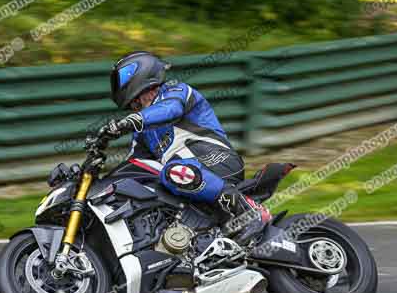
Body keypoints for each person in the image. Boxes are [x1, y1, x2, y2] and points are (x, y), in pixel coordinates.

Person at [96, 51, 269, 245]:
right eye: (132, 106)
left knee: (172, 171)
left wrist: (129, 122)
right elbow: (134, 165)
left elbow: (171, 109)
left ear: (144, 82)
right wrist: (100, 182)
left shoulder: (176, 91)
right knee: (153, 189)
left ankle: (248, 211)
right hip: (189, 178)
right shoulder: (142, 131)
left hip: (218, 160)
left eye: (135, 102)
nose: (135, 108)